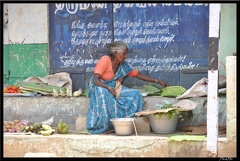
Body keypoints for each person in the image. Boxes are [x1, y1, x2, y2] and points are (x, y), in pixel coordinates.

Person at [86, 41, 169, 134]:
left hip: (116, 88)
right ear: (115, 53)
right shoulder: (105, 60)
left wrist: (157, 81)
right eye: (124, 53)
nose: (126, 56)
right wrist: (108, 88)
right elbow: (96, 80)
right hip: (100, 87)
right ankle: (104, 125)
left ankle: (124, 121)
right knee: (104, 93)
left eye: (126, 53)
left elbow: (138, 75)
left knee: (135, 94)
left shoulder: (123, 65)